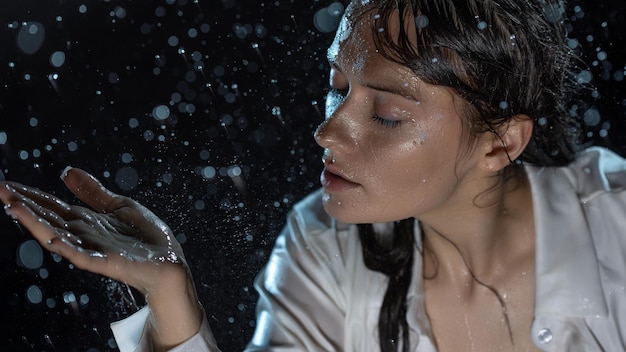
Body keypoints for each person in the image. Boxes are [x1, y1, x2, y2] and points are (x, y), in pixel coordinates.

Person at [1, 0, 625, 350]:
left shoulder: (616, 228)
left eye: (384, 115)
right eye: (336, 88)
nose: (327, 132)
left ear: (500, 143)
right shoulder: (323, 251)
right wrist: (171, 296)